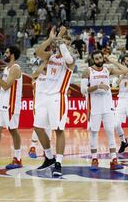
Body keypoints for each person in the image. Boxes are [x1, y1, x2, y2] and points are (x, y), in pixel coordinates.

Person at [34, 26, 75, 177]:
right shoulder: (51, 57)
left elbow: (68, 58)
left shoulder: (70, 61)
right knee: (38, 127)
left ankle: (58, 163)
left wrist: (60, 38)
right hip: (45, 96)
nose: (61, 44)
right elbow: (38, 52)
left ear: (68, 45)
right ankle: (49, 157)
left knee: (58, 130)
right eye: (62, 42)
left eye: (66, 43)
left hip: (58, 96)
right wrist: (51, 39)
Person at [83, 51, 128, 171]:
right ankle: (94, 159)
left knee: (110, 131)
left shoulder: (108, 70)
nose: (99, 60)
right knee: (94, 133)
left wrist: (112, 61)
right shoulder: (88, 71)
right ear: (93, 60)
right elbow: (83, 90)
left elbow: (125, 70)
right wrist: (98, 86)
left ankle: (114, 159)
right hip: (95, 107)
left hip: (107, 106)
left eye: (100, 58)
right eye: (96, 58)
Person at [28, 60, 52, 158]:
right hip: (38, 105)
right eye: (45, 63)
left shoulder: (52, 76)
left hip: (50, 105)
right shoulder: (37, 75)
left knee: (49, 128)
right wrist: (44, 62)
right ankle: (32, 147)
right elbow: (35, 74)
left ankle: (46, 151)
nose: (47, 65)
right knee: (39, 126)